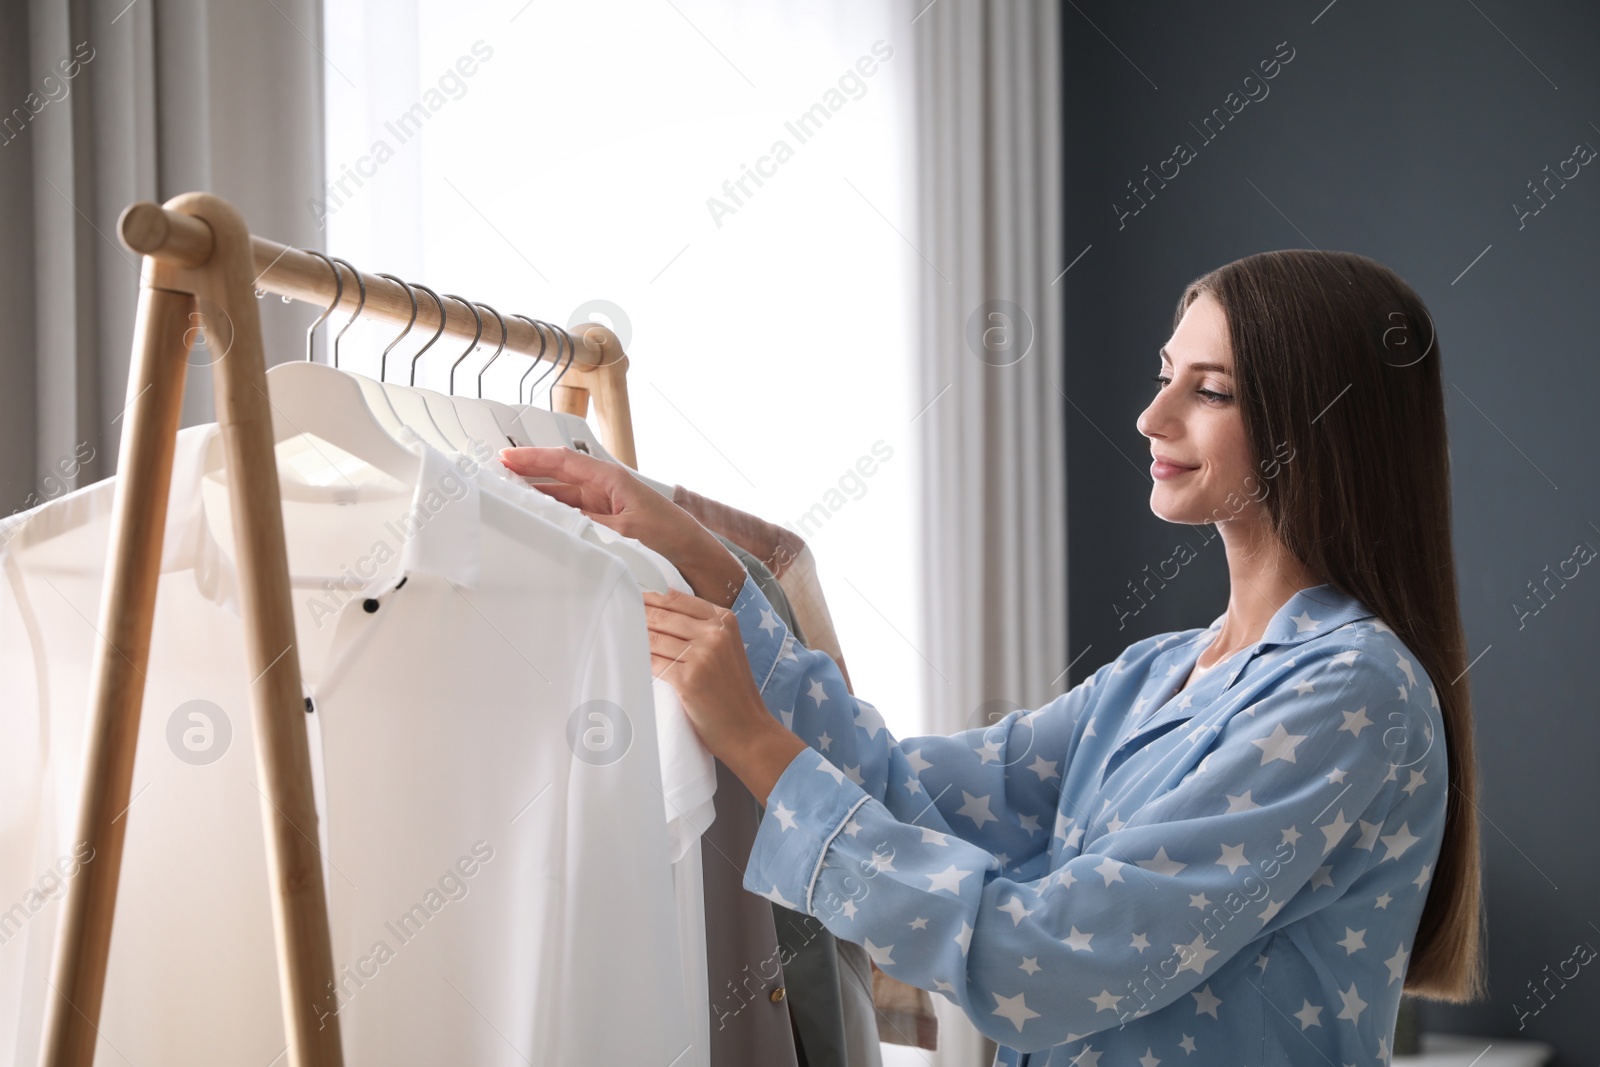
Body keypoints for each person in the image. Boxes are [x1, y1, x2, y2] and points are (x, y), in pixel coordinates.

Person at [498, 249, 1486, 1066]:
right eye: (1163, 374)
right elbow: (902, 786)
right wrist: (709, 564)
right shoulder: (1158, 675)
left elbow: (1043, 958)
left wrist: (756, 741)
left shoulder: (1349, 689)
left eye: (1210, 389)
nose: (1152, 417)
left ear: (1316, 425)